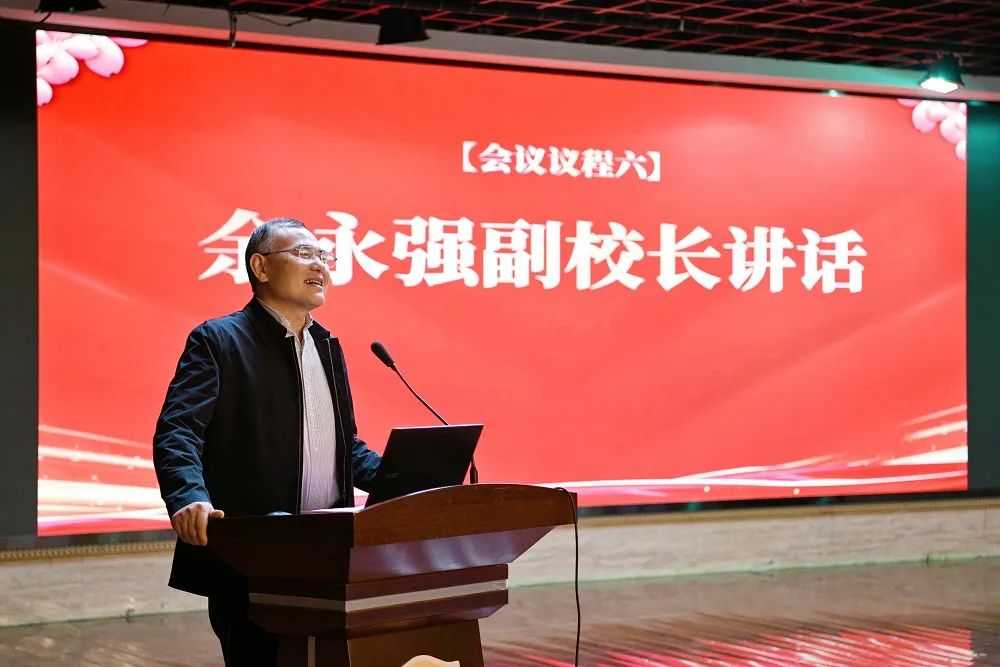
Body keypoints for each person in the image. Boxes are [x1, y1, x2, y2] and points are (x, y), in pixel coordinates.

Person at [152, 217, 381, 667]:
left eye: (323, 256)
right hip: (253, 557)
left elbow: (344, 446)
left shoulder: (327, 346)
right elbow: (179, 430)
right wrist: (187, 496)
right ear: (260, 267)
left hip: (328, 555)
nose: (319, 265)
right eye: (303, 253)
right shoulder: (218, 340)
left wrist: (409, 479)